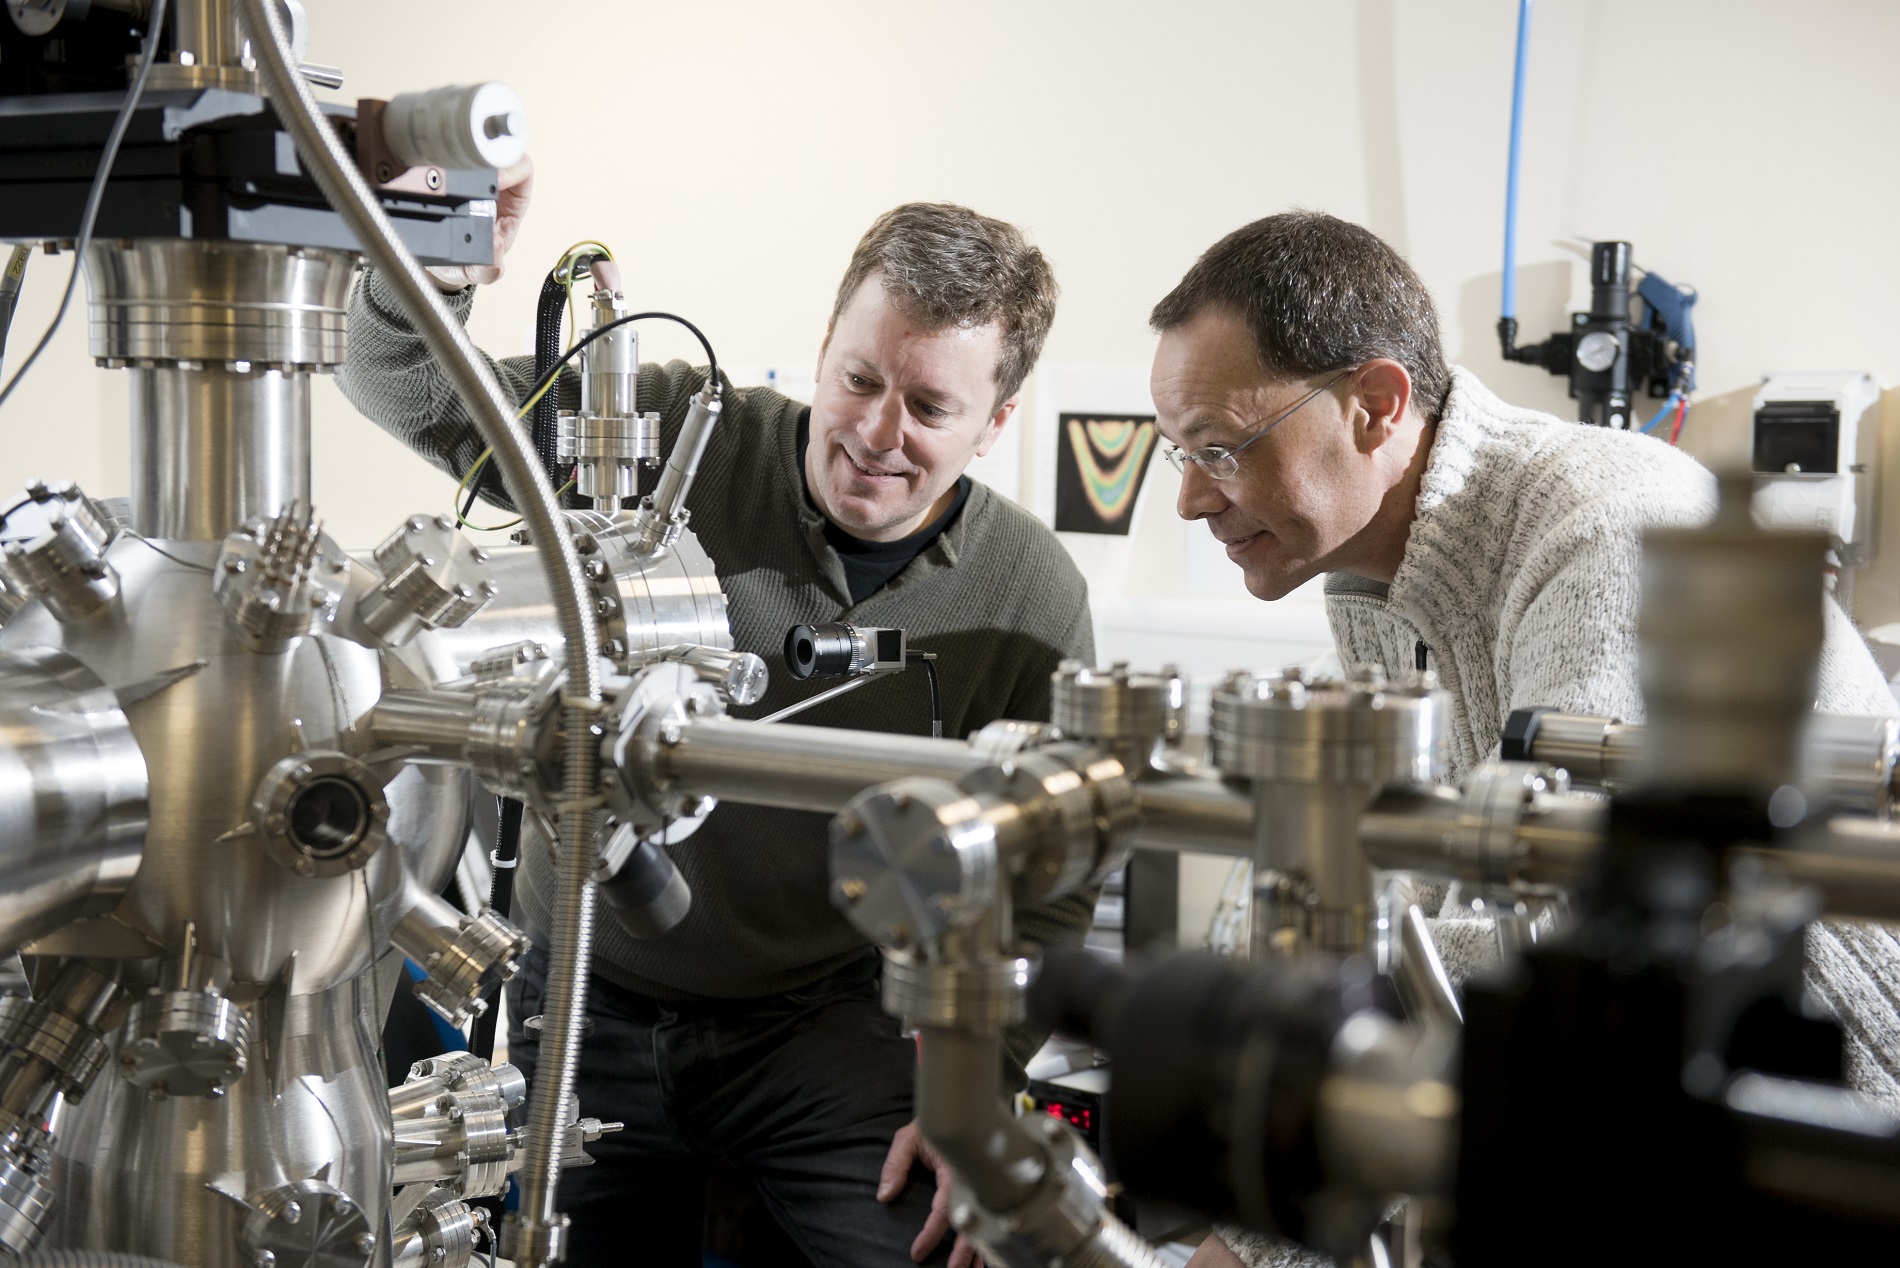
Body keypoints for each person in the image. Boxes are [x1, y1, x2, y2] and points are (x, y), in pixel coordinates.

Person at [339, 159, 1094, 1268]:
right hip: (586, 989)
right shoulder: (663, 435)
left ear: (995, 420)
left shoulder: (1030, 596)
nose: (879, 433)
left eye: (931, 407)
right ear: (827, 339)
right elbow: (400, 378)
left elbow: (1056, 882)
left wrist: (977, 1083)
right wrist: (430, 263)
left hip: (826, 1025)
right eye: (859, 379)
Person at [1145, 211, 1900, 1268]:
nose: (1186, 497)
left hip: (1816, 1104)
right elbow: (1397, 899)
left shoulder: (1603, 525)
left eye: (1219, 448)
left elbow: (1547, 941)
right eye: (1177, 452)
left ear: (1374, 405)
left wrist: (1245, 1215)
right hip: (1609, 1097)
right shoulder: (1371, 577)